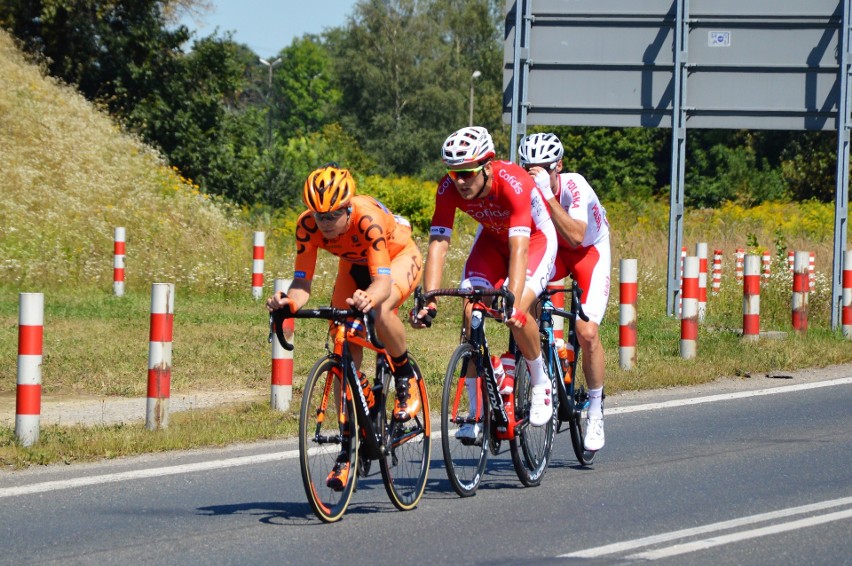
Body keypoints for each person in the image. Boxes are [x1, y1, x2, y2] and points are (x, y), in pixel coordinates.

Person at [266, 164, 423, 489]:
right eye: (319, 216)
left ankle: (404, 374)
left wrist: (368, 297)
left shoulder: (367, 219)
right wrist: (289, 304)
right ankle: (350, 441)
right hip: (352, 268)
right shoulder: (307, 227)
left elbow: (381, 282)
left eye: (332, 216)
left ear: (347, 207)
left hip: (396, 258)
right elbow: (302, 282)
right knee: (342, 341)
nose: (325, 224)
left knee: (380, 310)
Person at [410, 126, 558, 439]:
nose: (460, 181)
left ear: (487, 167)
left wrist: (511, 298)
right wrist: (430, 298)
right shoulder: (447, 189)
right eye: (454, 173)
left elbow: (520, 248)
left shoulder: (514, 183)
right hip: (491, 242)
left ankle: (540, 381)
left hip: (535, 240)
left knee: (515, 312)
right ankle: (475, 414)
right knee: (470, 312)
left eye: (468, 173)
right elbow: (438, 245)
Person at [518, 132, 611, 452]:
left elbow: (575, 236)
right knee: (521, 304)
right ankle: (537, 371)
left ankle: (596, 410)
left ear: (558, 166)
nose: (536, 173)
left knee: (586, 332)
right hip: (554, 251)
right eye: (529, 167)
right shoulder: (525, 188)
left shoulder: (575, 186)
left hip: (588, 252)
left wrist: (548, 196)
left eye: (543, 167)